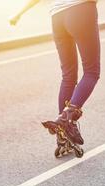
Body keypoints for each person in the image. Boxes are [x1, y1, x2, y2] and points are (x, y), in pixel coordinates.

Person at [10, 0, 100, 149]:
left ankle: (62, 136)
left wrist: (19, 13)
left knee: (68, 76)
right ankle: (66, 118)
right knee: (91, 72)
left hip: (57, 16)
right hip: (81, 9)